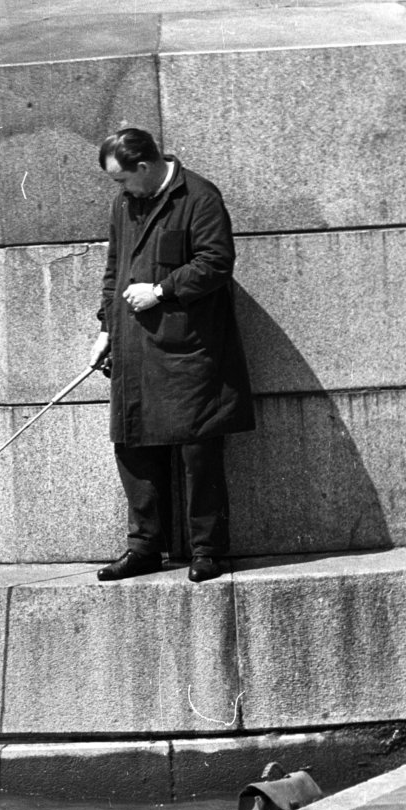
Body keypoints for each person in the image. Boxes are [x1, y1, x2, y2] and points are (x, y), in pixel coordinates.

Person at [88, 127, 254, 584]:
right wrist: (107, 326)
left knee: (199, 452)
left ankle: (208, 550)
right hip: (134, 345)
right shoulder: (125, 204)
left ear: (144, 167)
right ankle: (144, 546)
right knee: (134, 445)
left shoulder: (199, 198)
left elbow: (216, 263)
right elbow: (114, 268)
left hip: (189, 350)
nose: (118, 189)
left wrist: (161, 290)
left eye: (122, 179)